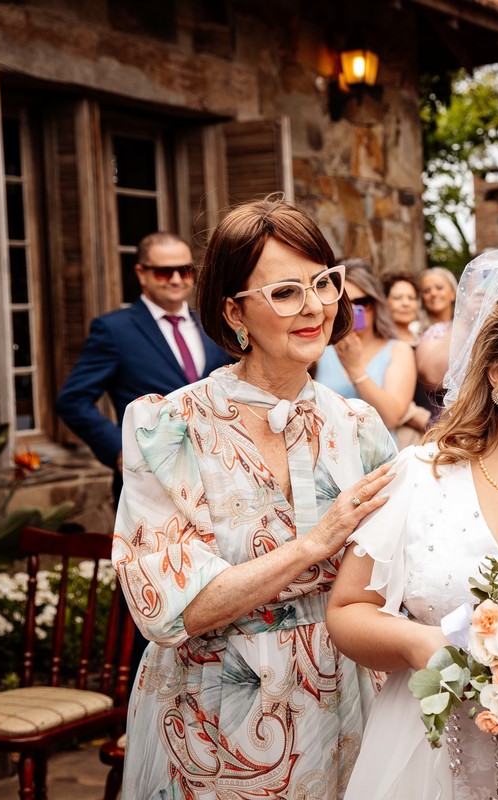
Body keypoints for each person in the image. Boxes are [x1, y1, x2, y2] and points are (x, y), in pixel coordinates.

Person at [112, 198, 398, 799]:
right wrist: (316, 545)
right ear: (233, 311)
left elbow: (398, 575)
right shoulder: (166, 428)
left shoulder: (360, 426)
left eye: (324, 282)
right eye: (287, 292)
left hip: (345, 701)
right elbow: (172, 611)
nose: (316, 306)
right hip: (210, 715)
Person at [327, 246, 498, 800]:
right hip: (423, 760)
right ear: (497, 371)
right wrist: (415, 643)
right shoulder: (420, 474)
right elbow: (348, 611)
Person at [57, 232, 233, 499]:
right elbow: (73, 400)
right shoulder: (114, 330)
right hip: (148, 484)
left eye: (185, 270)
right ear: (142, 273)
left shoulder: (214, 326)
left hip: (217, 479)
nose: (176, 279)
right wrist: (121, 450)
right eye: (164, 272)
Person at [316, 260, 419, 434]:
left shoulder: (399, 350)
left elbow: (391, 417)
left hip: (377, 459)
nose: (354, 309)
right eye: (345, 302)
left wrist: (355, 369)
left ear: (377, 303)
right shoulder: (320, 348)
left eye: (362, 302)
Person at [415, 268, 459, 423]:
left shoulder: (467, 327)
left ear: (453, 293)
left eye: (439, 288)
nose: (433, 293)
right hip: (437, 413)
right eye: (427, 290)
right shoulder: (416, 331)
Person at [385, 271, 425, 344]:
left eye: (411, 298)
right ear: (385, 302)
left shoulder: (423, 338)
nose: (406, 303)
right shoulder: (380, 341)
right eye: (397, 298)